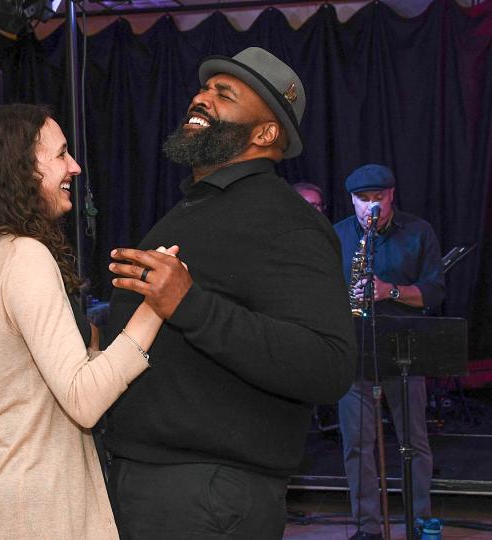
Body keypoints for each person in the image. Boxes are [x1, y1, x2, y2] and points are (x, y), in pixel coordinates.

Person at [104, 47, 357, 539]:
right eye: (203, 89)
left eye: (225, 94)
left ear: (265, 134)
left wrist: (190, 304)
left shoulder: (285, 221)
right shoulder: (193, 207)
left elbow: (328, 365)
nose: (201, 99)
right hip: (152, 481)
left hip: (209, 494)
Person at [0, 103, 170, 539]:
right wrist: (157, 306)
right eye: (60, 154)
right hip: (34, 508)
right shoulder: (23, 256)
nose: (74, 165)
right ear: (19, 170)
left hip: (15, 498)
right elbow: (83, 400)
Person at [332, 164, 445, 540]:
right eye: (362, 200)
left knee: (414, 443)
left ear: (391, 194)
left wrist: (389, 291)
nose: (370, 208)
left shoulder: (418, 232)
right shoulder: (338, 235)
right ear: (351, 200)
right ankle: (367, 528)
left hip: (405, 354)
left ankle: (420, 522)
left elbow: (434, 291)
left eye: (376, 198)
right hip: (354, 352)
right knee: (357, 447)